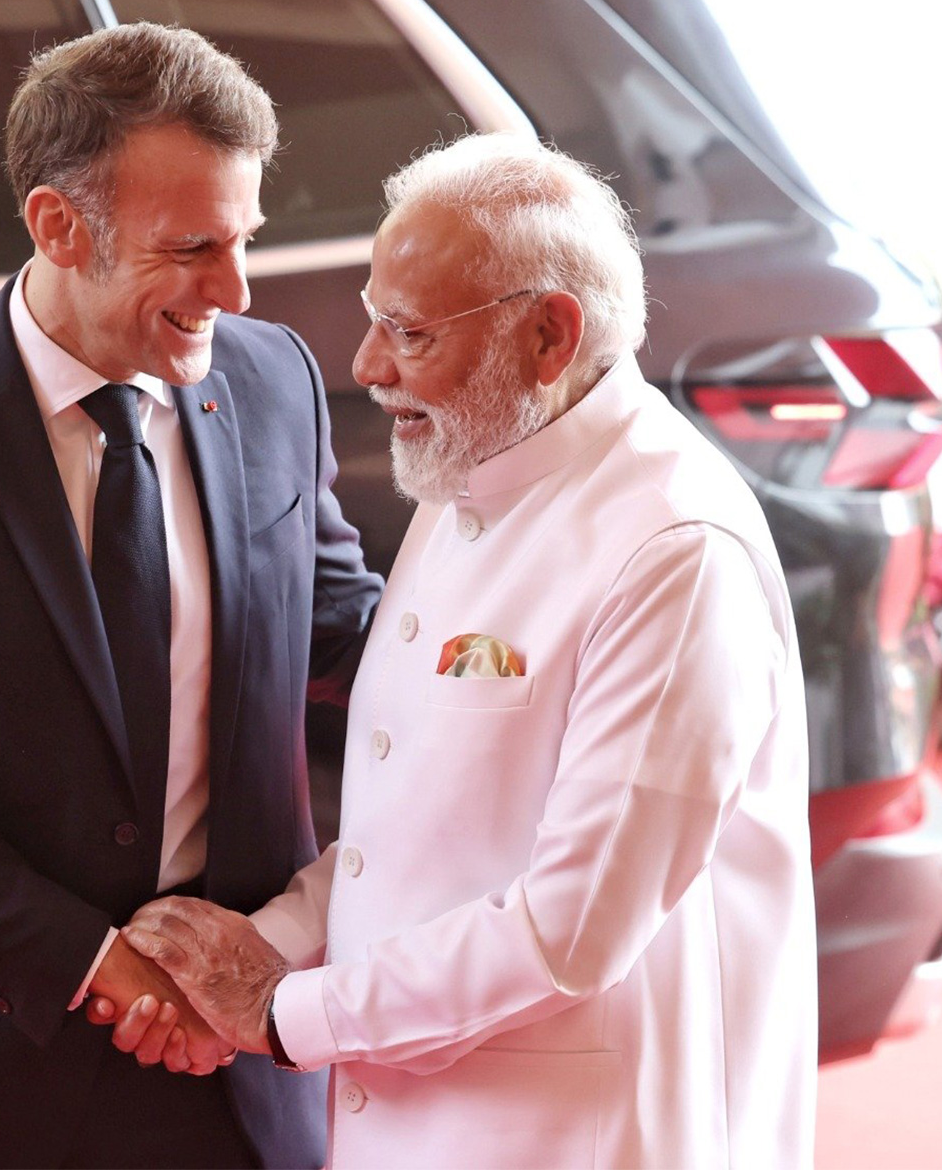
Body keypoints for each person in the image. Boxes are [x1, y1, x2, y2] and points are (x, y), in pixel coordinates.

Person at [116, 133, 818, 1168]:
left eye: (409, 333)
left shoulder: (672, 548)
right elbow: (413, 836)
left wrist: (281, 1011)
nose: (365, 369)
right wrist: (267, 940)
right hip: (418, 1114)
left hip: (581, 1132)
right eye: (371, 321)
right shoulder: (480, 456)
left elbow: (569, 928)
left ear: (548, 335)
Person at [0, 23, 381, 1169]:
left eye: (244, 240)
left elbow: (343, 624)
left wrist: (531, 640)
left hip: (227, 1069)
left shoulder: (274, 381)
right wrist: (98, 965)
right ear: (57, 224)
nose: (233, 291)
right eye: (192, 246)